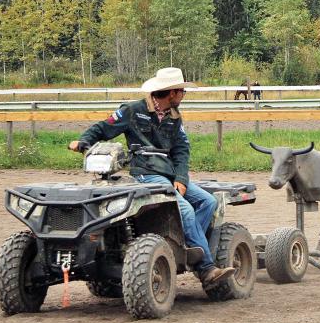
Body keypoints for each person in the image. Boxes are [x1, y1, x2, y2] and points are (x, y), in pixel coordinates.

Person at [68, 67, 236, 288]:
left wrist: (182, 179)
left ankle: (184, 248)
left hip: (168, 175)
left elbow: (182, 151)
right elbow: (103, 128)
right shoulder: (132, 110)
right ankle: (205, 268)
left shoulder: (174, 117)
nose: (184, 96)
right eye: (182, 92)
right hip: (146, 173)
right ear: (172, 93)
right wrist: (83, 141)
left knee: (208, 201)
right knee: (184, 209)